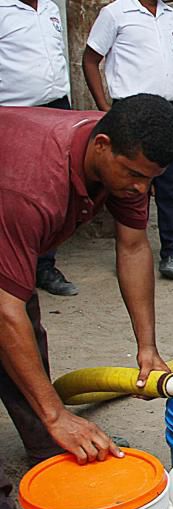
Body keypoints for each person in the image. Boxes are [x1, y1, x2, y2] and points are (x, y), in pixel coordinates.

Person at [0, 95, 173, 509]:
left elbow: (134, 247)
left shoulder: (123, 166)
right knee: (10, 321)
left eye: (150, 179)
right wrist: (58, 412)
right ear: (101, 145)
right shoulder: (30, 188)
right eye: (135, 175)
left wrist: (147, 348)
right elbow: (4, 313)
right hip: (11, 197)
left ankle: (49, 445)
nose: (141, 187)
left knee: (24, 334)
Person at [83, 0, 173, 281]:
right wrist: (103, 106)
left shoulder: (170, 15)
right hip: (132, 113)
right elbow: (91, 59)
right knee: (130, 187)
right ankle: (131, 248)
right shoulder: (115, 14)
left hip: (172, 110)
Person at [0, 0, 80, 297]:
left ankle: (44, 266)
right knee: (17, 192)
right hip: (15, 112)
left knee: (56, 188)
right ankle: (14, 269)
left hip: (57, 107)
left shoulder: (49, 8)